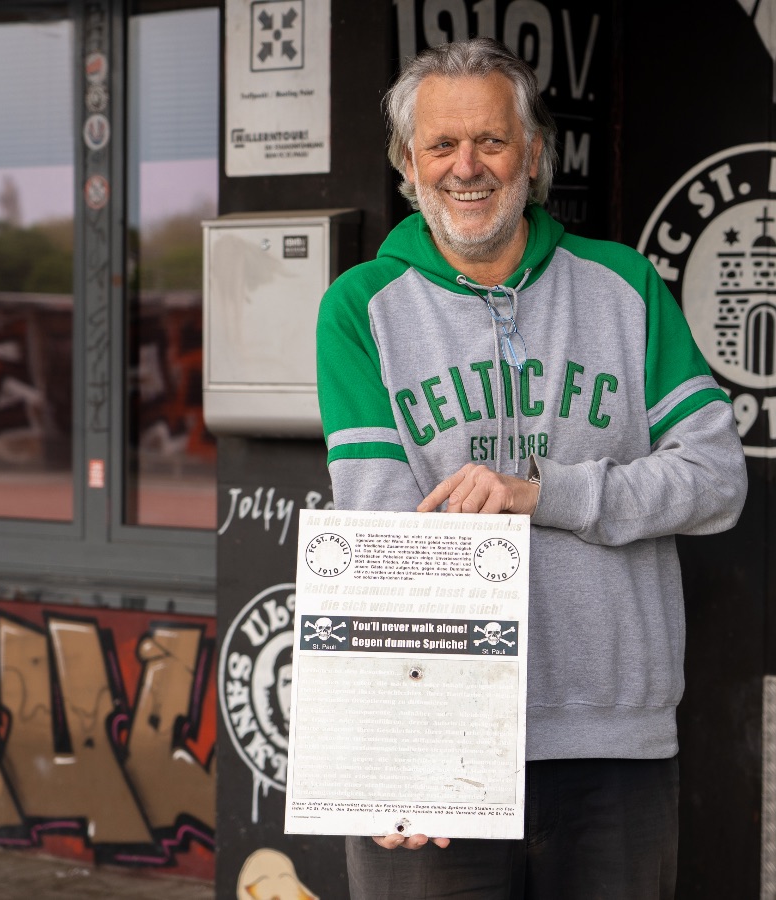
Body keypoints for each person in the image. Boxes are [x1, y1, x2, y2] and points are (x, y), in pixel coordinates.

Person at [315, 36, 747, 900]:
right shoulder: (362, 310)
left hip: (611, 741)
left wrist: (546, 496)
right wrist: (391, 749)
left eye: (491, 141)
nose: (466, 167)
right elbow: (378, 535)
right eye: (441, 145)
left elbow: (716, 479)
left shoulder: (625, 288)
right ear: (408, 161)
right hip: (443, 746)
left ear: (534, 153)